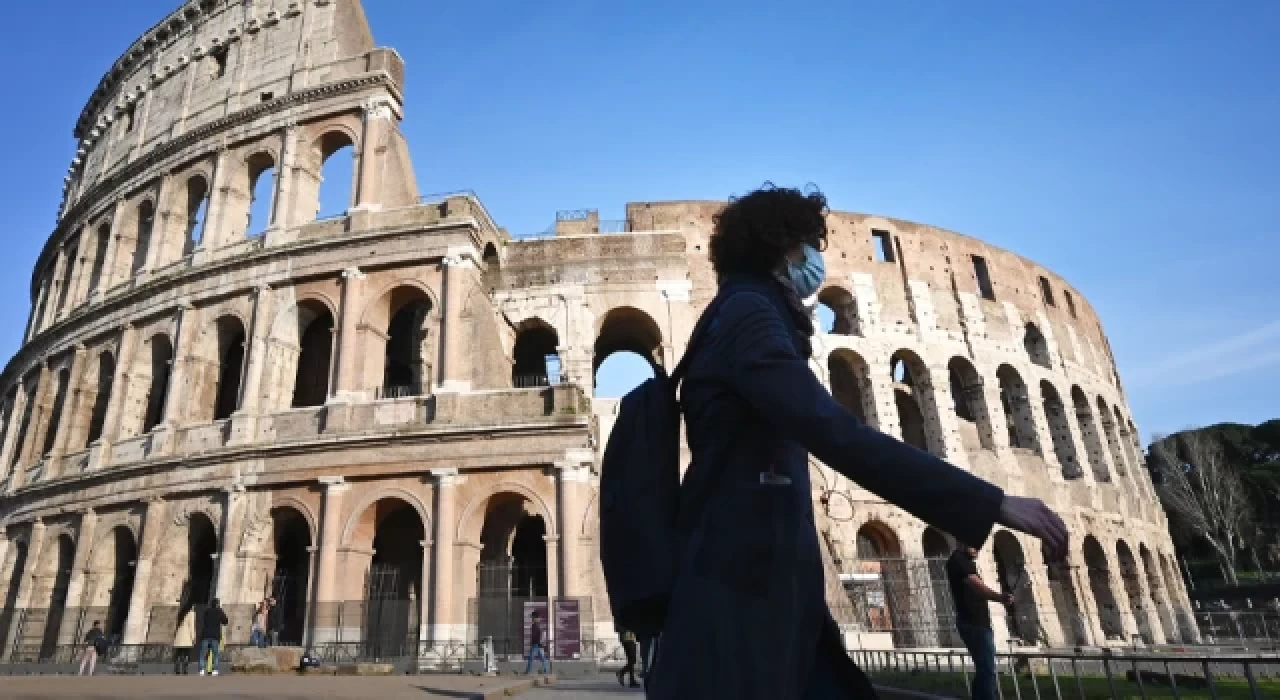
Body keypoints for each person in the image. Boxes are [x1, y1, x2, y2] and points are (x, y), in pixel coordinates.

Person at [646, 184, 1068, 699]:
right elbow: (833, 430)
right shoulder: (750, 316)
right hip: (744, 582)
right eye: (809, 245)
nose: (816, 259)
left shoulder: (734, 312)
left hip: (753, 575)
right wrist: (990, 502)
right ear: (783, 248)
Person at [948, 543, 1014, 700]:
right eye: (976, 546)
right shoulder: (959, 560)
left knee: (984, 669)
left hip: (977, 623)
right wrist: (1000, 597)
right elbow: (977, 586)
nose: (978, 550)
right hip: (973, 623)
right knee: (987, 669)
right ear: (965, 542)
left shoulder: (963, 561)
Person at [198, 598, 229, 676]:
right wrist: (221, 612)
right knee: (215, 654)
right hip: (215, 636)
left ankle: (202, 670)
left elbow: (204, 620)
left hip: (205, 635)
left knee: (203, 653)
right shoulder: (219, 611)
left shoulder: (207, 611)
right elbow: (225, 621)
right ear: (217, 604)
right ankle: (215, 670)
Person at [173, 606, 197, 674]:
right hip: (186, 636)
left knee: (179, 653)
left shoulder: (181, 613)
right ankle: (185, 669)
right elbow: (191, 626)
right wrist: (193, 638)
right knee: (186, 653)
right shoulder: (191, 613)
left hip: (179, 635)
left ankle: (177, 669)